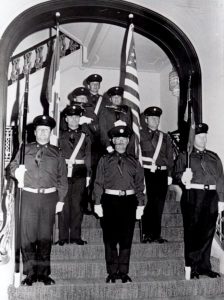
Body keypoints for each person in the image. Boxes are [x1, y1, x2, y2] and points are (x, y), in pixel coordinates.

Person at [10, 115, 68, 286]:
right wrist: (16, 173)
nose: (43, 133)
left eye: (47, 130)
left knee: (44, 236)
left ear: (51, 132)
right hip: (28, 196)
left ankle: (43, 274)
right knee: (27, 236)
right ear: (34, 132)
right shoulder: (24, 149)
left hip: (49, 198)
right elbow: (12, 167)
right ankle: (29, 274)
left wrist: (61, 199)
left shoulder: (56, 153)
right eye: (40, 130)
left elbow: (62, 179)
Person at [93, 124, 145, 283]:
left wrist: (141, 204)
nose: (121, 141)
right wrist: (97, 203)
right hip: (109, 201)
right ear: (112, 140)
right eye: (118, 138)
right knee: (109, 238)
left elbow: (139, 184)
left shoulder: (134, 161)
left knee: (126, 238)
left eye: (124, 138)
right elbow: (98, 183)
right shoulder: (104, 160)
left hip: (129, 202)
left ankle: (123, 271)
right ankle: (112, 272)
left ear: (128, 140)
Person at [174, 122, 224, 279]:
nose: (204, 139)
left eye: (205, 136)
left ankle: (204, 266)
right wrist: (183, 177)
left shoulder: (213, 156)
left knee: (208, 231)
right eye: (200, 136)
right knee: (193, 232)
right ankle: (193, 266)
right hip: (193, 195)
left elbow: (221, 178)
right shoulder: (185, 156)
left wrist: (221, 198)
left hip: (211, 196)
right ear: (192, 138)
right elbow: (176, 174)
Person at [58, 105, 91, 246]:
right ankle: (63, 237)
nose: (74, 119)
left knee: (77, 205)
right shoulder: (59, 135)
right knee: (64, 204)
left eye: (77, 117)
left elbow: (88, 155)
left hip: (79, 172)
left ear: (80, 119)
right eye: (71, 117)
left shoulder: (85, 136)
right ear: (66, 119)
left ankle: (76, 236)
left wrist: (88, 174)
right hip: (64, 171)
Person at [140, 106, 174, 243]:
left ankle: (156, 234)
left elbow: (170, 157)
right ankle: (146, 233)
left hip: (161, 173)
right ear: (146, 119)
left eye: (157, 118)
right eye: (152, 118)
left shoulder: (165, 137)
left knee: (159, 203)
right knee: (148, 202)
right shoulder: (140, 135)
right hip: (146, 172)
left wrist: (169, 174)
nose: (155, 120)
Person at [67, 86, 100, 213]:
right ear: (74, 98)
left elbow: (97, 131)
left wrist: (88, 122)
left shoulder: (91, 112)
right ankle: (75, 204)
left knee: (89, 176)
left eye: (84, 98)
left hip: (89, 148)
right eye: (80, 97)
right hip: (73, 150)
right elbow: (63, 128)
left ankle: (87, 203)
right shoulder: (68, 111)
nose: (82, 100)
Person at [98, 86, 133, 155]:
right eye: (114, 97)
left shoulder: (127, 111)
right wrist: (107, 145)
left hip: (124, 144)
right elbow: (103, 130)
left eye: (118, 97)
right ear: (110, 99)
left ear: (121, 99)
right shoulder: (105, 111)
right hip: (110, 143)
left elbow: (130, 128)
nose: (116, 99)